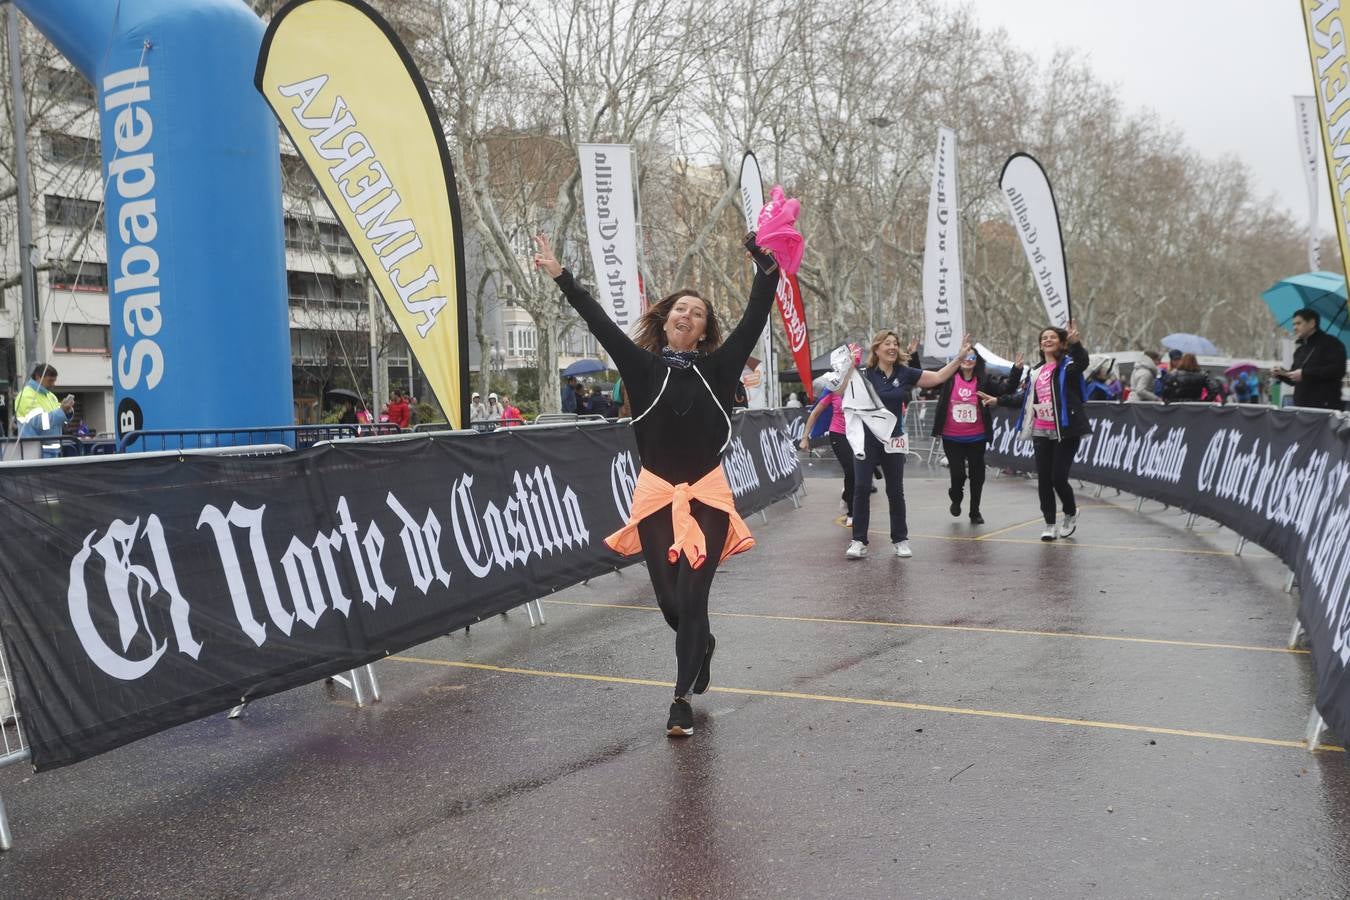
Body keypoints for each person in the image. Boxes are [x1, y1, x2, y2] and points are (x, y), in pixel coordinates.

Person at [535, 230, 778, 738]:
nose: (686, 315)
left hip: (707, 495)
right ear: (665, 319)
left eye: (697, 312)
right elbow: (596, 319)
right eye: (679, 309)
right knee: (671, 604)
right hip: (655, 495)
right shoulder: (641, 366)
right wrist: (562, 276)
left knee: (693, 597)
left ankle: (680, 699)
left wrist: (765, 268)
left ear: (705, 328)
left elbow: (757, 315)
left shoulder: (720, 366)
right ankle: (702, 644)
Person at [845, 330, 972, 560]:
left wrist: (958, 358)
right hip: (867, 439)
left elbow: (937, 378)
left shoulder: (904, 373)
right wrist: (846, 365)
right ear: (876, 349)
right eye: (887, 343)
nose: (893, 347)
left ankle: (900, 540)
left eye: (895, 343)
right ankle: (859, 541)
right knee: (862, 488)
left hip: (894, 439)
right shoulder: (863, 374)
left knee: (895, 490)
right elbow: (839, 388)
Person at [998, 321, 1091, 542]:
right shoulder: (1036, 371)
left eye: (1052, 338)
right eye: (1043, 338)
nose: (1047, 341)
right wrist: (998, 400)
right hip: (1041, 430)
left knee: (1058, 477)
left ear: (1061, 343)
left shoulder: (1068, 366)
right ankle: (1049, 523)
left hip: (1065, 430)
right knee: (1044, 480)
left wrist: (1076, 344)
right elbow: (1026, 398)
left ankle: (1069, 512)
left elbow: (1082, 362)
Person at [928, 348, 1024, 525]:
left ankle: (974, 511)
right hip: (952, 436)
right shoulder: (948, 377)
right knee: (957, 474)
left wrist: (1016, 370)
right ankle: (956, 497)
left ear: (977, 360)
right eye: (964, 356)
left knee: (977, 475)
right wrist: (912, 359)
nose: (968, 360)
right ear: (958, 359)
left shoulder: (984, 379)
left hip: (977, 437)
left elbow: (1006, 389)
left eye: (972, 357)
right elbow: (926, 380)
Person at [799, 346, 862, 525]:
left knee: (858, 472)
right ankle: (851, 511)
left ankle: (846, 495)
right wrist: (805, 437)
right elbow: (815, 413)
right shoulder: (833, 388)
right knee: (851, 469)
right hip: (838, 433)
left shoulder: (862, 385)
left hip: (857, 434)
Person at [1274, 307, 1348, 410]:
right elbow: (1294, 379)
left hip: (1325, 408)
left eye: (1299, 323)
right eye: (1293, 324)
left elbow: (1337, 370)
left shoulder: (1332, 343)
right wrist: (1281, 374)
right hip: (1300, 408)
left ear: (1312, 323)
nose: (1295, 327)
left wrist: (1305, 374)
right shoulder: (1300, 349)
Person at [14, 363, 74, 439]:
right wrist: (62, 411)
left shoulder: (50, 396)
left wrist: (67, 411)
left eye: (54, 381)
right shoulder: (26, 395)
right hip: (35, 448)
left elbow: (60, 420)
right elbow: (39, 423)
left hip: (51, 447)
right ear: (38, 377)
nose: (53, 384)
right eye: (50, 381)